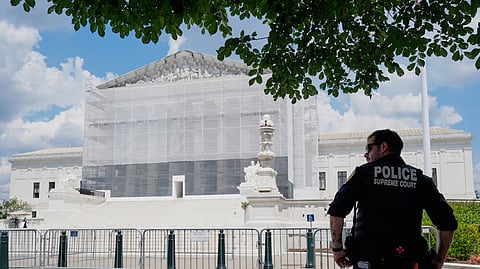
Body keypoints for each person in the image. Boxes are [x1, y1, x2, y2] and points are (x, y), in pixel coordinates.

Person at [328, 129, 458, 269]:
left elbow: (336, 211)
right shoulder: (420, 179)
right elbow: (448, 223)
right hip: (409, 260)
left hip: (370, 260)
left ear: (383, 147)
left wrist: (337, 250)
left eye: (369, 148)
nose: (366, 154)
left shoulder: (364, 173)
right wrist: (439, 260)